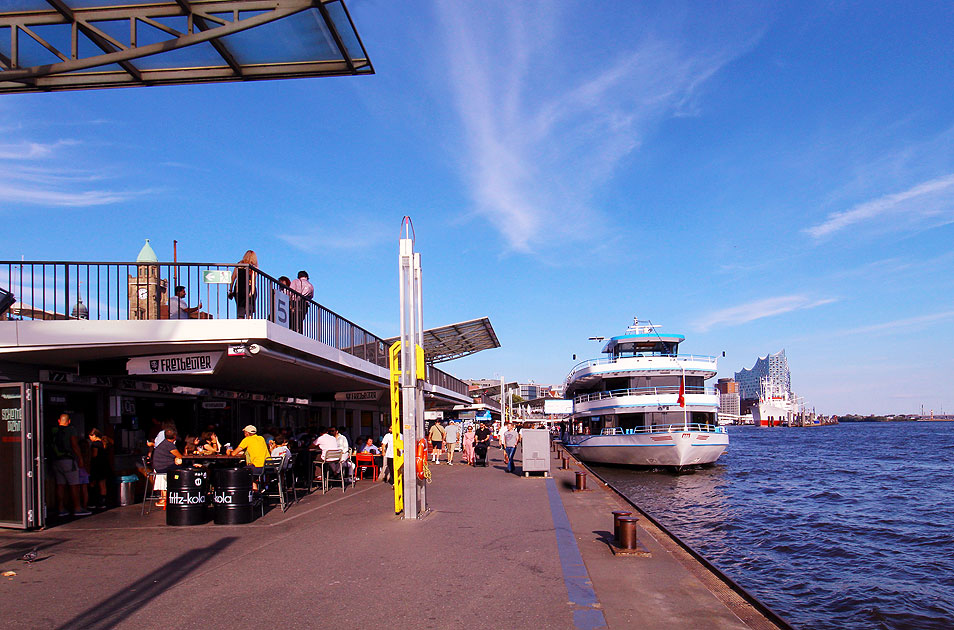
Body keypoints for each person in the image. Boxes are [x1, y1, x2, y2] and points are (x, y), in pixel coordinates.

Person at [50, 413, 91, 517]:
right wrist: (80, 458)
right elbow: (74, 444)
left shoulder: (54, 430)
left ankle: (61, 508)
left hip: (56, 460)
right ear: (69, 421)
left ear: (59, 421)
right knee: (74, 485)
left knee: (60, 485)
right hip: (68, 460)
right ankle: (77, 508)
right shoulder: (71, 430)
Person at [152, 428, 185, 507]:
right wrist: (177, 459)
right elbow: (180, 456)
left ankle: (165, 498)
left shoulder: (163, 443)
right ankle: (181, 493)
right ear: (174, 436)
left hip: (159, 467)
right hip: (164, 468)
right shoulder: (169, 445)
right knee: (185, 467)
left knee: (180, 464)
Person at [88, 428, 113, 509]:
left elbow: (94, 455)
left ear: (94, 435)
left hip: (96, 465)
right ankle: (103, 502)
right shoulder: (103, 443)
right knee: (103, 484)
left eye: (90, 436)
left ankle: (92, 502)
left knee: (92, 483)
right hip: (104, 465)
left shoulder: (95, 444)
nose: (90, 438)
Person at [229, 250, 258, 318]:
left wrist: (230, 290)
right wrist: (252, 292)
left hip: (239, 289)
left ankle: (240, 322)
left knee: (240, 310)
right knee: (249, 310)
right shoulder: (253, 267)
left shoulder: (239, 265)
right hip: (249, 288)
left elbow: (233, 278)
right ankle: (249, 322)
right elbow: (253, 280)